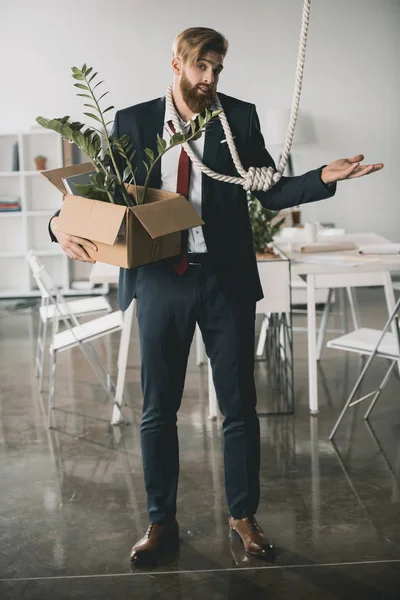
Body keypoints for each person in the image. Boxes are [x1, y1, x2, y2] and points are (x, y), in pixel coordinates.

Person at [49, 27, 383, 563]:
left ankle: (243, 518)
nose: (210, 79)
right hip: (160, 278)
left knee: (239, 409)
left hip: (223, 278)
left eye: (218, 69)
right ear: (177, 64)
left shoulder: (239, 117)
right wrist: (55, 225)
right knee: (158, 410)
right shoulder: (134, 123)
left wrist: (323, 176)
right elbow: (99, 196)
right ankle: (161, 524)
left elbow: (268, 188)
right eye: (202, 68)